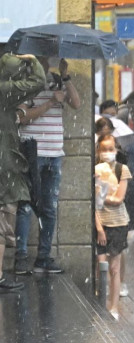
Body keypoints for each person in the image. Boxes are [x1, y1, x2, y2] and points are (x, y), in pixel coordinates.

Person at [14, 56, 81, 275]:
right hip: (32, 151)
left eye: (44, 60)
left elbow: (77, 103)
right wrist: (51, 102)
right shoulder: (25, 85)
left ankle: (43, 257)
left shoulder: (56, 81)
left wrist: (65, 76)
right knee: (25, 205)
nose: (42, 64)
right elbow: (22, 117)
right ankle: (21, 257)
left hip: (54, 152)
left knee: (50, 207)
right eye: (38, 60)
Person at [0, 53, 45, 292]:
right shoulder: (5, 89)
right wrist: (33, 61)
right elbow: (38, 82)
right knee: (5, 213)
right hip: (4, 165)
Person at [94, 134, 132, 320]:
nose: (107, 153)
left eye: (111, 149)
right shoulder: (94, 171)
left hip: (118, 224)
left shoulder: (121, 170)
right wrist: (99, 228)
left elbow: (119, 199)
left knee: (114, 267)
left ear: (116, 150)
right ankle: (100, 302)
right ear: (98, 151)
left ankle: (113, 306)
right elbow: (93, 205)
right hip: (100, 223)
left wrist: (102, 196)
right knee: (100, 265)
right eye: (104, 149)